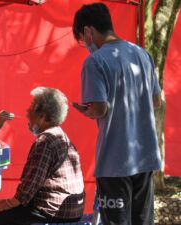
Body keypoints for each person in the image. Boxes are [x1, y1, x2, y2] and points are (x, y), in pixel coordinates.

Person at [72, 3, 162, 225]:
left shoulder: (95, 61)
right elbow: (156, 101)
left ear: (87, 31)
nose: (85, 45)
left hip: (114, 161)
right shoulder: (143, 54)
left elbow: (100, 108)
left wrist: (88, 111)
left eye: (82, 40)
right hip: (146, 156)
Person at [0, 87, 85, 225]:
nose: (27, 111)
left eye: (31, 106)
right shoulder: (60, 135)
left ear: (42, 116)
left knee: (3, 218)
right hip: (72, 210)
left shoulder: (45, 141)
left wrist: (7, 204)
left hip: (55, 212)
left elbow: (30, 185)